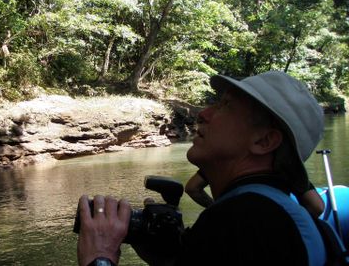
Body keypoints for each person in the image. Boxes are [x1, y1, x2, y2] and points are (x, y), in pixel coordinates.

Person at [76, 71, 328, 265]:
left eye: (225, 106)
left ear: (264, 141)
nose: (203, 113)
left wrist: (100, 255)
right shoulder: (267, 213)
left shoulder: (244, 221)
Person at [184, 170, 324, 218]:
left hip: (229, 228)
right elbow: (317, 207)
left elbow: (192, 188)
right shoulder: (286, 163)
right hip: (275, 233)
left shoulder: (219, 158)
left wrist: (217, 208)